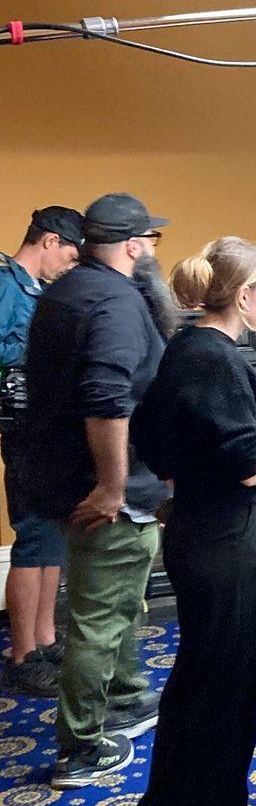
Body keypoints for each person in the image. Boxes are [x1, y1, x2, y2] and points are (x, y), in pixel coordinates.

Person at [127, 237, 256, 806]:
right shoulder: (220, 359)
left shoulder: (182, 349)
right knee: (228, 684)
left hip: (191, 531)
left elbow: (147, 435)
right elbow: (246, 460)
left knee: (194, 679)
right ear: (243, 297)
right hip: (228, 542)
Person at [23, 193, 171, 788]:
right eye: (150, 239)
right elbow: (107, 399)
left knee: (111, 600)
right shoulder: (116, 302)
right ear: (133, 245)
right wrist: (115, 486)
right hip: (105, 491)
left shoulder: (65, 289)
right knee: (99, 616)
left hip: (60, 476)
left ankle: (129, 695)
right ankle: (80, 747)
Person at [0, 207, 82, 696]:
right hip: (24, 428)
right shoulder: (6, 284)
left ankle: (47, 639)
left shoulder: (42, 292)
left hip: (48, 426)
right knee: (32, 535)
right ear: (49, 241)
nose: (69, 267)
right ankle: (22, 653)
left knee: (52, 533)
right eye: (69, 256)